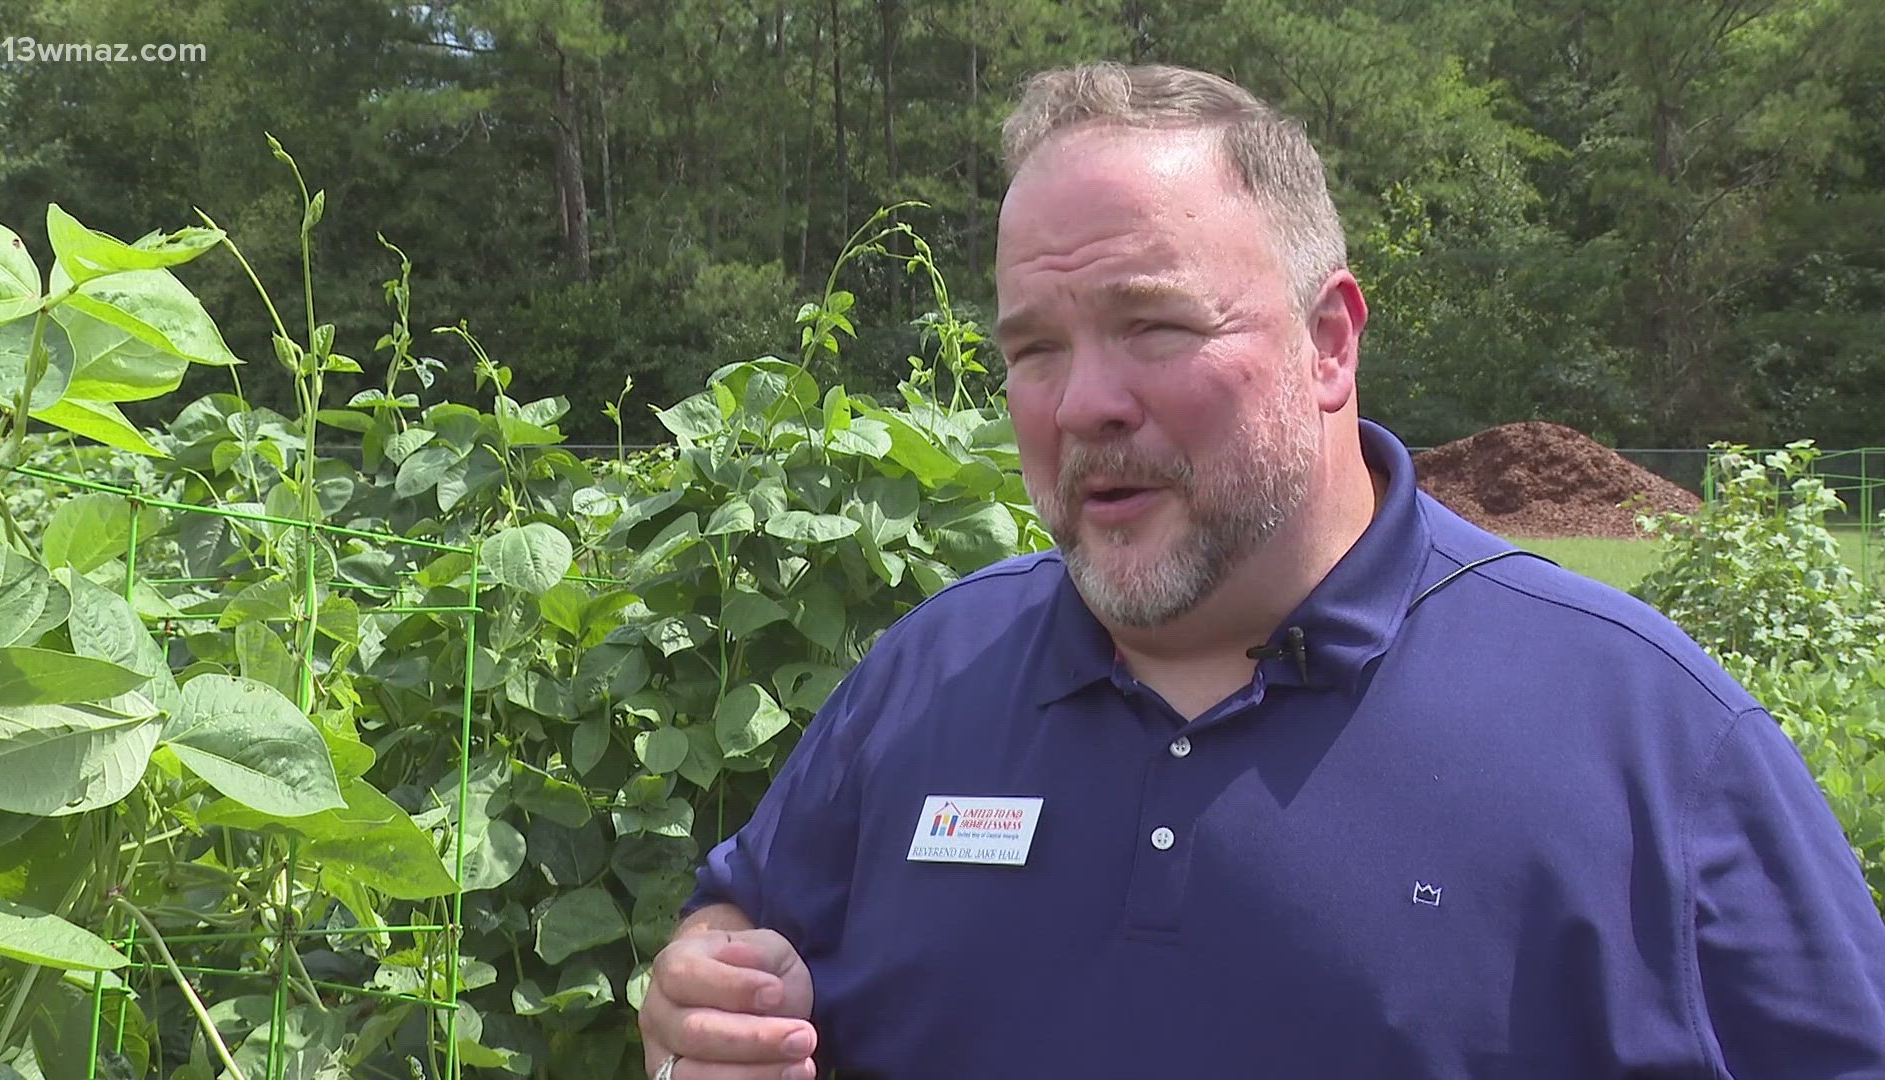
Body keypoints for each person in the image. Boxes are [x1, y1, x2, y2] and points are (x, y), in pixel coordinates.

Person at [636, 61, 1885, 1079]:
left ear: (1329, 340)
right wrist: (704, 1000)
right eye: (1034, 349)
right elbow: (740, 918)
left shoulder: (1652, 742)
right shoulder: (928, 675)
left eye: (1156, 327)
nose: (1083, 404)